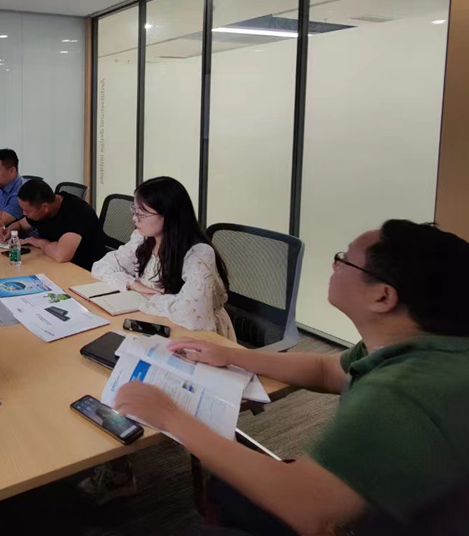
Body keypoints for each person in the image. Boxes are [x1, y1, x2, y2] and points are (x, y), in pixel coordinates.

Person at [116, 220, 469, 535]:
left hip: (344, 519)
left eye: (345, 260)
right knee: (230, 489)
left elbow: (312, 512)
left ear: (383, 296)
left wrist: (170, 417)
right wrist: (233, 356)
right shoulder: (417, 346)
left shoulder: (404, 391)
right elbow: (327, 370)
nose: (334, 265)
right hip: (371, 511)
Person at [91, 176, 234, 339]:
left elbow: (191, 315)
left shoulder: (198, 254)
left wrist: (149, 297)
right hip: (154, 322)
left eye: (141, 214)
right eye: (134, 211)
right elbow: (101, 266)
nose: (134, 219)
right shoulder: (143, 239)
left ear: (168, 215)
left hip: (197, 336)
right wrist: (134, 284)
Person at [0, 179, 103, 270]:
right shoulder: (43, 208)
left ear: (45, 207)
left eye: (27, 211)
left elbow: (61, 255)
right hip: (54, 264)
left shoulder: (77, 213)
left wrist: (38, 242)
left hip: (84, 271)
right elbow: (20, 224)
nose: (24, 213)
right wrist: (9, 230)